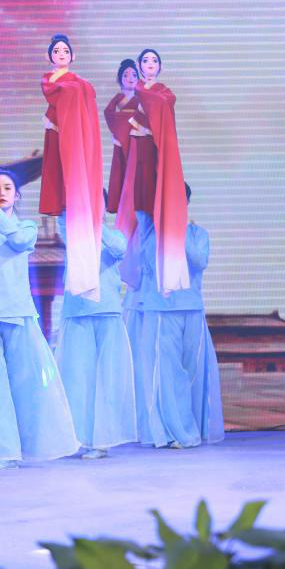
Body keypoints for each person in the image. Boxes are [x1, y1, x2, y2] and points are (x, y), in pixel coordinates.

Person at [0, 170, 79, 468]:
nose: (1, 193)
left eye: (7, 188)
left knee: (27, 383)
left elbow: (20, 240)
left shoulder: (25, 227)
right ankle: (0, 451)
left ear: (17, 195)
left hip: (18, 312)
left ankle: (29, 444)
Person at [125, 184, 224, 449]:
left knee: (191, 373)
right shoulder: (150, 232)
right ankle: (174, 432)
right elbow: (144, 262)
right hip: (161, 310)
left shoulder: (198, 234)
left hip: (192, 309)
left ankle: (189, 427)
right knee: (166, 376)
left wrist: (178, 229)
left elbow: (199, 261)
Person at [55, 200, 137, 459]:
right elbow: (63, 226)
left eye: (96, 202)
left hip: (107, 312)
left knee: (106, 378)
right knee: (78, 377)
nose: (91, 207)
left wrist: (95, 224)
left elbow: (119, 249)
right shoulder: (71, 229)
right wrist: (79, 210)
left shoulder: (114, 235)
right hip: (78, 312)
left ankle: (101, 440)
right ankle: (80, 438)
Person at [115, 49, 189, 296]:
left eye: (154, 61)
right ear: (139, 66)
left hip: (155, 157)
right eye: (145, 61)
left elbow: (161, 107)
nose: (150, 64)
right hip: (138, 158)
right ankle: (137, 275)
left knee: (154, 215)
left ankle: (156, 275)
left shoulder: (164, 93)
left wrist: (141, 91)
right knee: (138, 216)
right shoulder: (132, 95)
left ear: (160, 67)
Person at [38, 34, 104, 302]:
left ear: (72, 56)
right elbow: (54, 96)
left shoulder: (80, 85)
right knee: (63, 208)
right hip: (57, 141)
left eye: (65, 50)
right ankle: (76, 278)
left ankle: (84, 277)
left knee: (75, 204)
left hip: (72, 143)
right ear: (50, 56)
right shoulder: (50, 81)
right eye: (56, 50)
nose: (61, 54)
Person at [104, 59, 139, 215]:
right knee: (121, 168)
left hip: (136, 137)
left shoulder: (140, 97)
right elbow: (108, 112)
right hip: (121, 139)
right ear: (120, 79)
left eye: (134, 75)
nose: (130, 78)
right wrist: (116, 132)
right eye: (126, 75)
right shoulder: (119, 97)